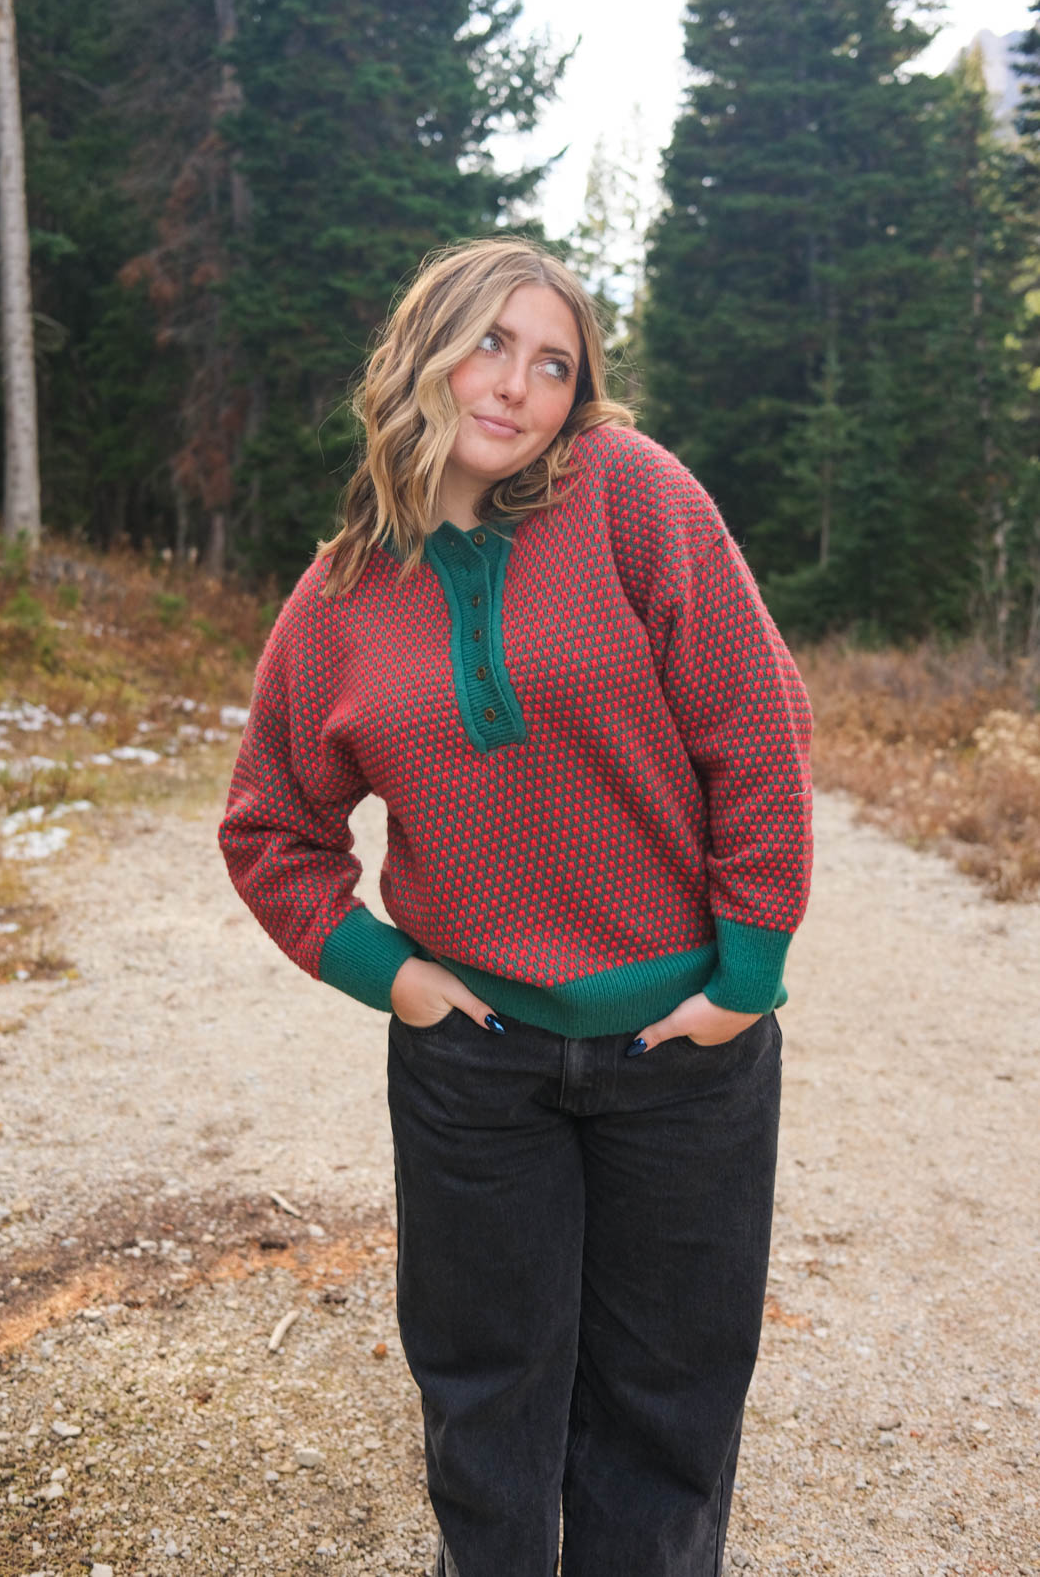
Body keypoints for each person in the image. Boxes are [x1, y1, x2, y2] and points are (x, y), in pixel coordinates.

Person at [218, 237, 813, 1577]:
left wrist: (748, 974)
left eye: (553, 362)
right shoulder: (339, 599)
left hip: (682, 1057)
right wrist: (391, 975)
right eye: (490, 342)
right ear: (421, 350)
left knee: (665, 1403)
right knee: (483, 1401)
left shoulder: (628, 493)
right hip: (474, 1071)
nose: (518, 386)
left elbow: (759, 728)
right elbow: (270, 828)